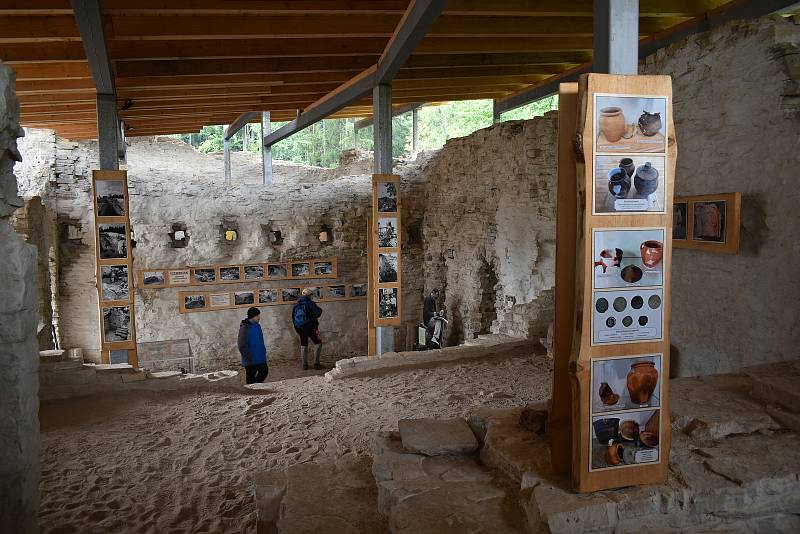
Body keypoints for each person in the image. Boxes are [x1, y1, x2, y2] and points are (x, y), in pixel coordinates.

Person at [292, 288, 323, 370]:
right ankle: (316, 364)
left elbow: (293, 319)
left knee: (303, 344)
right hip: (311, 327)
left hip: (301, 328)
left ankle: (304, 365)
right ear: (309, 295)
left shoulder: (296, 305)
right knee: (318, 343)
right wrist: (319, 310)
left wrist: (297, 329)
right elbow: (318, 312)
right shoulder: (310, 303)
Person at [237, 307, 268, 384]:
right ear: (252, 316)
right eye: (257, 316)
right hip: (250, 359)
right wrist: (248, 356)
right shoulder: (245, 328)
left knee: (264, 371)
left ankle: (256, 385)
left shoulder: (257, 326)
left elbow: (260, 339)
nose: (259, 317)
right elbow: (241, 345)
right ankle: (252, 391)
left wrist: (263, 350)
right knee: (251, 377)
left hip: (260, 356)